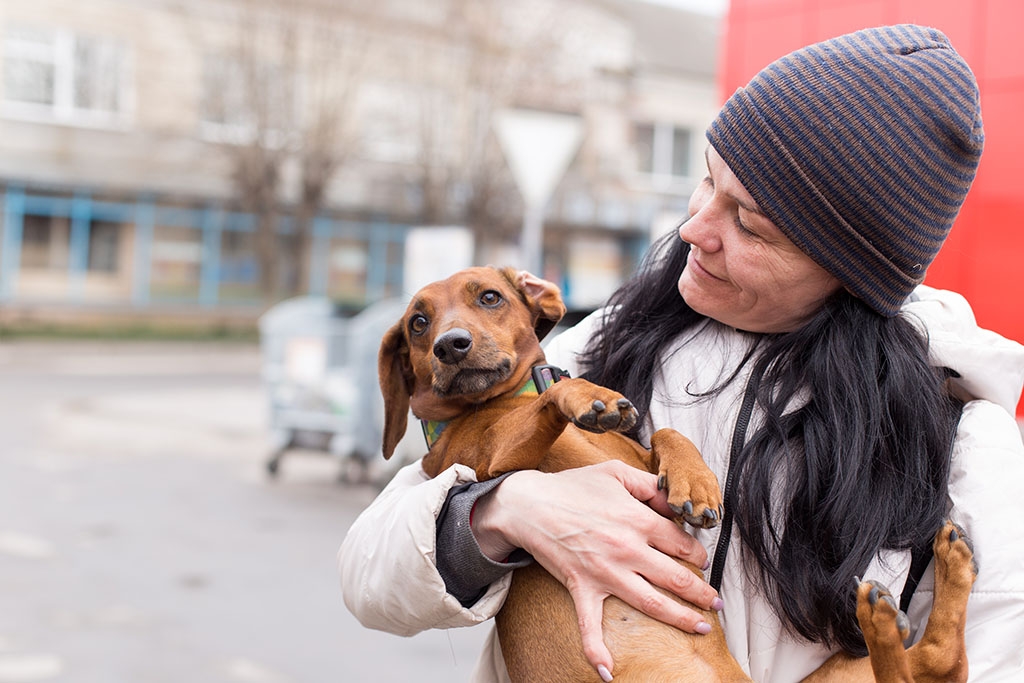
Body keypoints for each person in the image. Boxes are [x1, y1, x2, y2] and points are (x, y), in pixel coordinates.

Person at [338, 24, 1024, 682]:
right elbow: (368, 573)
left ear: (850, 271)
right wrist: (504, 510)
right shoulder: (598, 350)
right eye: (707, 181)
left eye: (748, 222)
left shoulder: (961, 437)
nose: (695, 227)